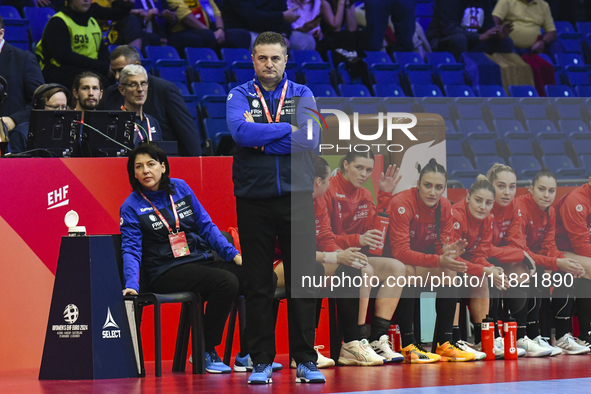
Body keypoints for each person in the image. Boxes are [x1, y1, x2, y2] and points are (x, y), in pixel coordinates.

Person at [226, 31, 324, 384]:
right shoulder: (239, 95)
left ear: (286, 60)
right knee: (258, 283)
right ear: (253, 60)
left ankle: (305, 360)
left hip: (296, 198)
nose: (269, 64)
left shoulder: (302, 93)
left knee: (303, 280)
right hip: (253, 199)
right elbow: (240, 133)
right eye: (262, 58)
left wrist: (265, 139)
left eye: (275, 58)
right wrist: (286, 129)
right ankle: (261, 361)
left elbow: (311, 138)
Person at [120, 143, 243, 374]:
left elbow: (206, 225)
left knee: (254, 277)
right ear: (133, 174)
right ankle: (204, 350)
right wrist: (131, 284)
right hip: (166, 270)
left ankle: (250, 352)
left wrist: (232, 254)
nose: (146, 170)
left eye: (151, 164)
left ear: (163, 167)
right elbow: (131, 249)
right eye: (139, 167)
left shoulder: (181, 188)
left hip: (196, 259)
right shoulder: (131, 206)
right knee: (226, 282)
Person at [318, 151, 407, 363]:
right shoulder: (327, 189)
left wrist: (384, 195)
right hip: (330, 258)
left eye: (368, 170)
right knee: (363, 268)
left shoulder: (366, 195)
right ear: (345, 164)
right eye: (359, 168)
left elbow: (375, 235)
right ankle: (356, 341)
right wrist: (357, 239)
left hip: (355, 255)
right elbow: (324, 238)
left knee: (397, 268)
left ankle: (377, 339)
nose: (364, 174)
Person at [388, 159, 475, 363]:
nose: (432, 192)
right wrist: (438, 258)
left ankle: (444, 343)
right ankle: (408, 344)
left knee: (450, 272)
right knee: (406, 268)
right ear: (418, 184)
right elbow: (400, 252)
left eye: (439, 187)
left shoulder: (444, 206)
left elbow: (441, 245)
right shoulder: (401, 203)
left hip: (421, 262)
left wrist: (445, 253)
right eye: (427, 185)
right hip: (393, 263)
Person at [482, 164, 559, 357]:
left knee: (524, 269)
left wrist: (519, 256)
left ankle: (522, 337)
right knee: (495, 273)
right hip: (477, 259)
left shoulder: (514, 206)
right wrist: (515, 254)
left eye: (512, 186)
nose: (507, 192)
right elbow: (479, 248)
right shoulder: (482, 205)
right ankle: (493, 337)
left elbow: (517, 245)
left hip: (499, 257)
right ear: (490, 186)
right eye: (501, 186)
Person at [514, 168, 588, 355]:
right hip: (517, 260)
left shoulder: (550, 212)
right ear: (531, 189)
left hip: (536, 258)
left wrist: (562, 261)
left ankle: (563, 337)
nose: (547, 195)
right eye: (542, 189)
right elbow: (522, 250)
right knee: (535, 269)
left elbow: (549, 247)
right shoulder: (520, 207)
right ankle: (529, 337)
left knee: (568, 269)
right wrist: (555, 262)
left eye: (551, 191)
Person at [99, 45, 202, 156]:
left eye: (121, 70)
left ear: (137, 65)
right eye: (114, 71)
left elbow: (187, 133)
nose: (117, 76)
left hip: (163, 163)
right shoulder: (111, 93)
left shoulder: (164, 90)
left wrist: (196, 166)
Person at [35, 0, 111, 90]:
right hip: (59, 71)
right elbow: (65, 57)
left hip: (88, 69)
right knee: (97, 82)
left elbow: (102, 52)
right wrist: (101, 67)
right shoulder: (58, 22)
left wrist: (109, 68)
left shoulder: (92, 22)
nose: (86, 0)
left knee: (114, 78)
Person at [554, 175, 591, 349]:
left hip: (578, 250)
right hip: (558, 249)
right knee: (589, 268)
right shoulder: (576, 201)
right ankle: (585, 334)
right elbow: (582, 246)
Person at [0, 16, 45, 144]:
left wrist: (12, 120)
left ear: (1, 33)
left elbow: (39, 101)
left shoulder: (23, 59)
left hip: (11, 137)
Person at [427, 0, 514, 61]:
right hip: (443, 41)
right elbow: (448, 28)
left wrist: (497, 33)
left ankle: (499, 77)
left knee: (506, 42)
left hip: (473, 41)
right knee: (459, 39)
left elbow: (488, 25)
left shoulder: (483, 1)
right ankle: (459, 75)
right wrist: (479, 37)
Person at [165, 0, 251, 55]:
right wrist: (210, 33)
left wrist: (220, 29)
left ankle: (233, 74)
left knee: (242, 35)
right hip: (183, 32)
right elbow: (184, 15)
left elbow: (216, 12)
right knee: (206, 36)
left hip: (210, 31)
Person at [6, 83, 69, 153]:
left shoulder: (70, 131)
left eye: (63, 107)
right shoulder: (21, 133)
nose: (61, 111)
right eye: (55, 107)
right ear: (40, 107)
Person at [221, 0, 299, 48]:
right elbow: (251, 17)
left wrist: (284, 35)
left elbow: (285, 13)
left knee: (305, 41)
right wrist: (282, 16)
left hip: (271, 31)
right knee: (273, 45)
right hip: (245, 31)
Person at [117, 65, 162, 146]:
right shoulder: (115, 122)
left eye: (143, 83)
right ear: (122, 90)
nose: (140, 89)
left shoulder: (153, 121)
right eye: (133, 84)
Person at [492, 0, 558, 54]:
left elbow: (552, 32)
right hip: (508, 48)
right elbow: (493, 20)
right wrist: (498, 32)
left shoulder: (544, 5)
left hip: (532, 51)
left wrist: (543, 42)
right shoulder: (506, 1)